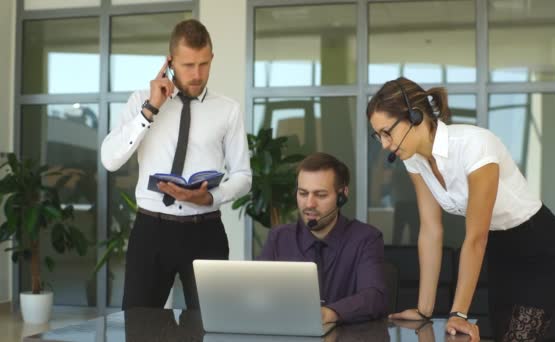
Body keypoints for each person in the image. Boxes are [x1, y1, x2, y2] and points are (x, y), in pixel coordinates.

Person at [366, 77, 555, 341]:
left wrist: (459, 313)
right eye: (378, 136)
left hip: (543, 249)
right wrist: (424, 310)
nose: (384, 144)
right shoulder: (415, 160)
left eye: (388, 132)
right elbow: (430, 230)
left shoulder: (474, 145)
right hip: (502, 249)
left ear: (414, 115)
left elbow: (476, 237)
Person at [101, 19, 251, 310]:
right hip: (151, 230)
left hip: (205, 231)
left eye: (204, 64)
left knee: (213, 325)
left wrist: (210, 196)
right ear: (169, 62)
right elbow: (110, 159)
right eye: (188, 65)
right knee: (139, 325)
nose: (197, 75)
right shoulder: (140, 102)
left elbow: (243, 175)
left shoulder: (228, 110)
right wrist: (150, 110)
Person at [258, 152, 387, 324]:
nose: (309, 204)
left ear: (342, 196)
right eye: (303, 193)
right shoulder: (279, 238)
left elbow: (375, 297)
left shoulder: (366, 239)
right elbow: (257, 293)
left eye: (320, 195)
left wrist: (331, 313)